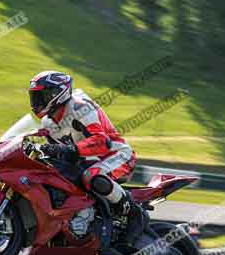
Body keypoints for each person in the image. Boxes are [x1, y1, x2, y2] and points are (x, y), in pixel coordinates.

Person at [28, 70, 146, 243]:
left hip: (118, 155)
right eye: (34, 97)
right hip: (90, 160)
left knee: (92, 176)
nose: (37, 102)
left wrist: (70, 150)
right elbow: (58, 154)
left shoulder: (80, 108)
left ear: (56, 94)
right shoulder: (48, 122)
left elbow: (102, 142)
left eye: (41, 96)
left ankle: (135, 213)